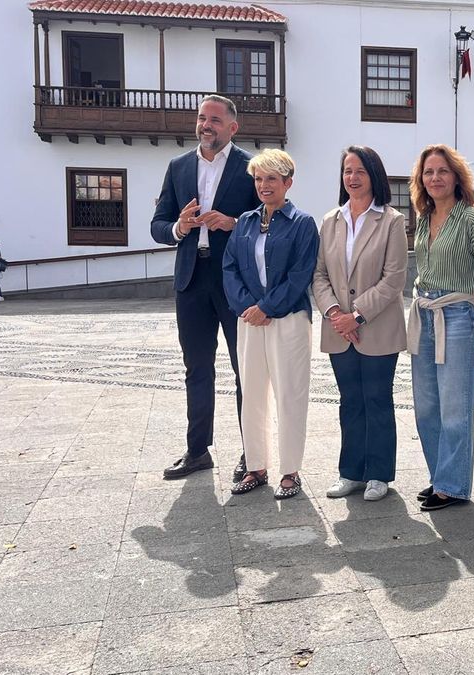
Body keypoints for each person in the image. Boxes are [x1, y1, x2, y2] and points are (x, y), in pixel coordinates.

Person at [150, 95, 260, 480]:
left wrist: (233, 223)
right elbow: (158, 225)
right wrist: (180, 227)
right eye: (201, 118)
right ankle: (198, 451)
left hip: (235, 284)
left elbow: (269, 217)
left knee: (245, 369)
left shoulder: (252, 168)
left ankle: (253, 453)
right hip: (191, 280)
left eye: (214, 119)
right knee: (196, 368)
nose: (205, 125)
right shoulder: (178, 167)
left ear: (233, 126)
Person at [406, 144, 474, 512]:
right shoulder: (424, 217)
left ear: (456, 177)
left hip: (458, 316)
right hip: (425, 313)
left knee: (456, 407)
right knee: (426, 406)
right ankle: (439, 476)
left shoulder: (471, 220)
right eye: (428, 172)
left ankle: (452, 485)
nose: (435, 178)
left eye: (442, 171)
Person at [312, 146, 408, 502]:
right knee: (349, 400)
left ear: (374, 176)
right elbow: (319, 275)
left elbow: (394, 278)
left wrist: (358, 315)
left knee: (377, 399)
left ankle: (379, 474)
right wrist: (336, 314)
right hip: (339, 329)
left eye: (360, 172)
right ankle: (350, 471)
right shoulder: (330, 221)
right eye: (347, 171)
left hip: (378, 327)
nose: (352, 178)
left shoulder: (392, 221)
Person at [223, 149, 319, 499]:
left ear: (287, 182)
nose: (264, 185)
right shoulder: (245, 222)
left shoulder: (303, 223)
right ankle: (256, 466)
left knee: (290, 394)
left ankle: (290, 471)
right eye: (259, 179)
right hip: (249, 321)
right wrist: (248, 307)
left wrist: (267, 307)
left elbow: (300, 274)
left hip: (288, 320)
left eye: (271, 179)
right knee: (251, 394)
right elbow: (229, 267)